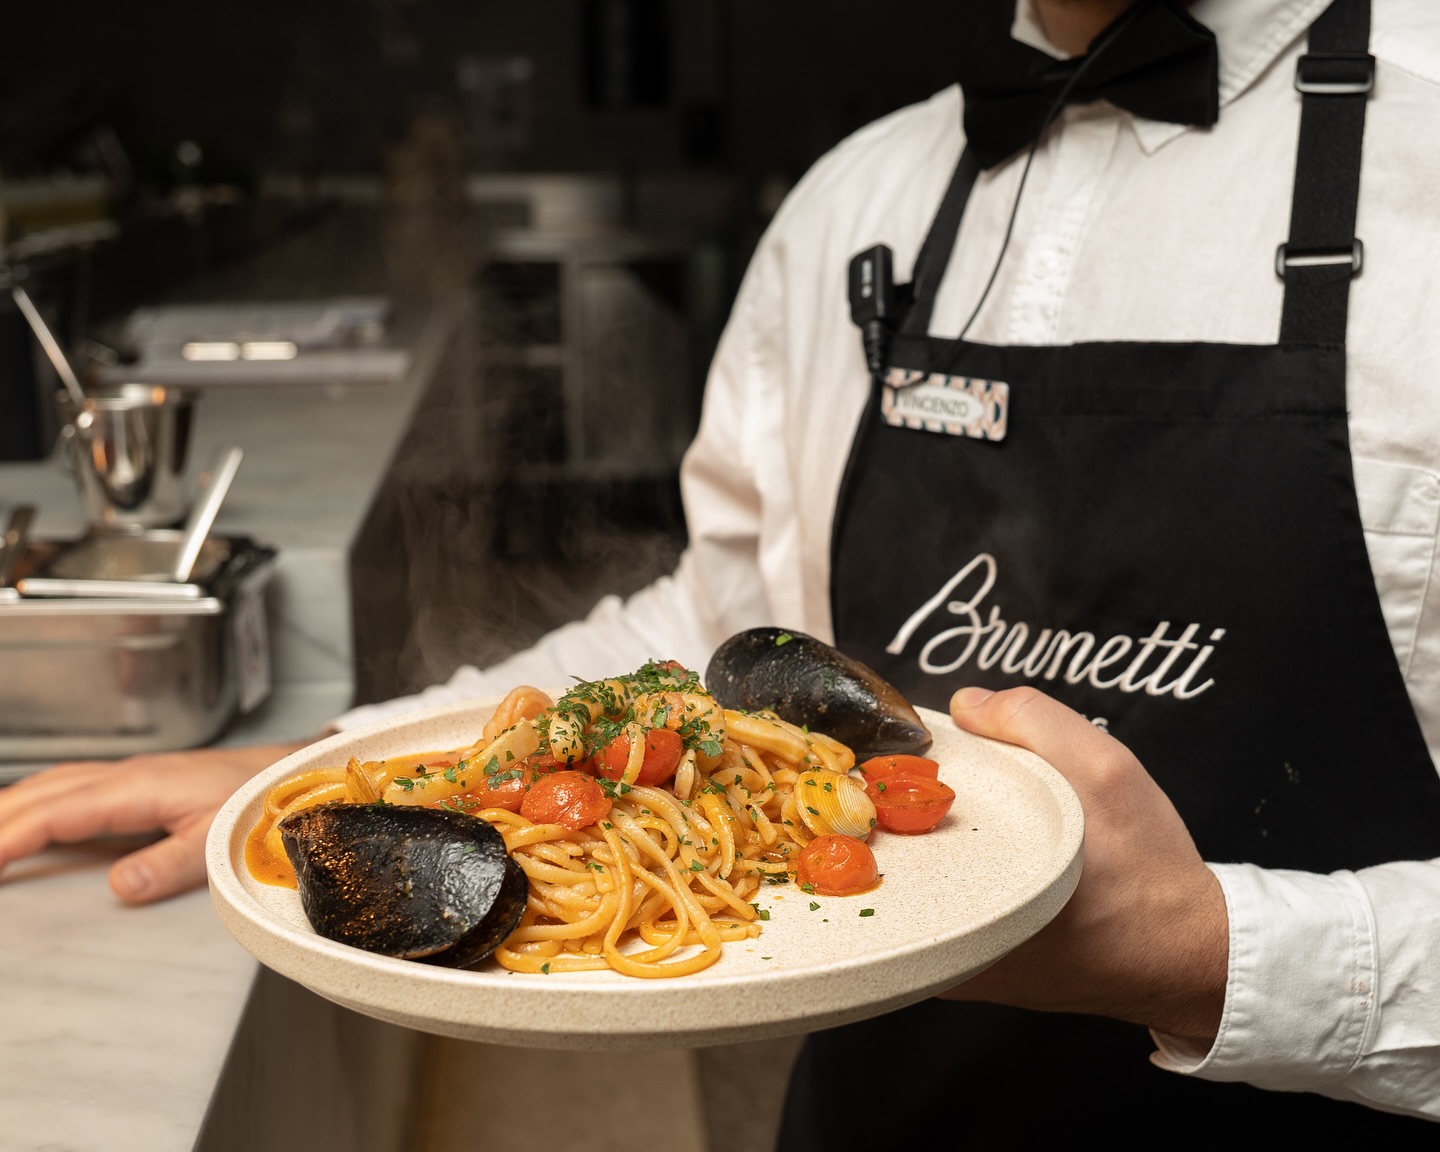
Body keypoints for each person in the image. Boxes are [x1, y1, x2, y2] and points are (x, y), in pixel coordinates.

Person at [2, 0, 1438, 1136]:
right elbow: (727, 629)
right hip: (882, 1115)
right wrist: (349, 761)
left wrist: (1210, 953)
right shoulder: (852, 202)